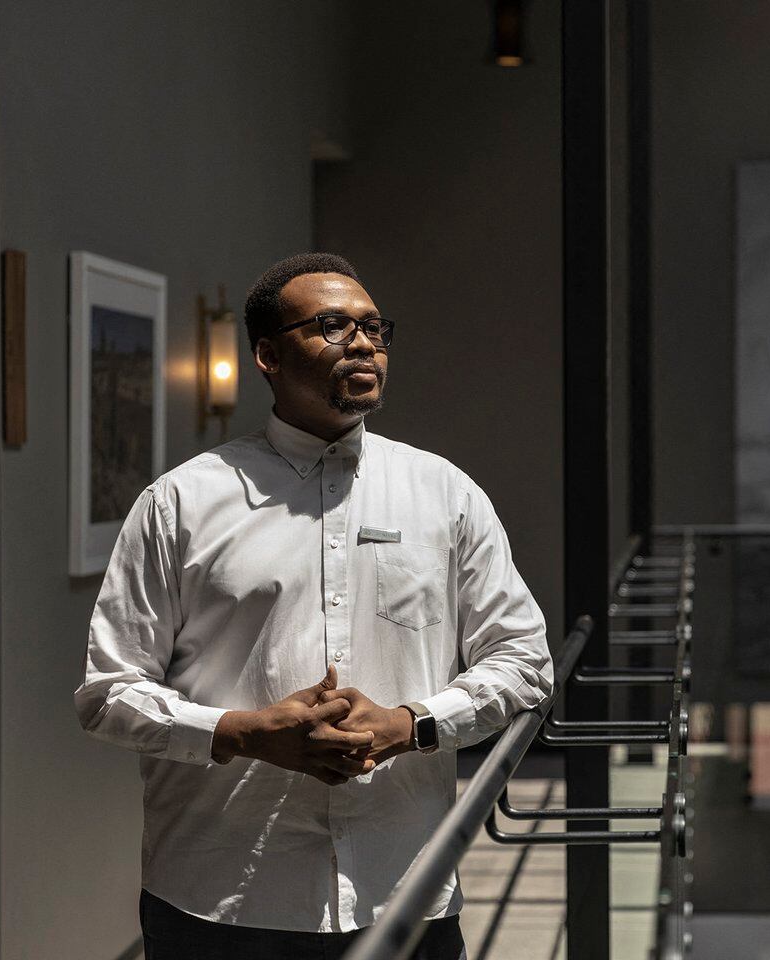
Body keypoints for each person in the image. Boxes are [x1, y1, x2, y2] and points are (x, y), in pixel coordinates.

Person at [75, 252, 552, 960]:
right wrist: (241, 733)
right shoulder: (179, 504)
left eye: (374, 328)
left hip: (404, 885)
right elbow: (108, 695)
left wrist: (408, 724)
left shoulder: (445, 494)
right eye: (332, 325)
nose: (363, 343)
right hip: (222, 896)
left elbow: (525, 662)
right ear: (268, 354)